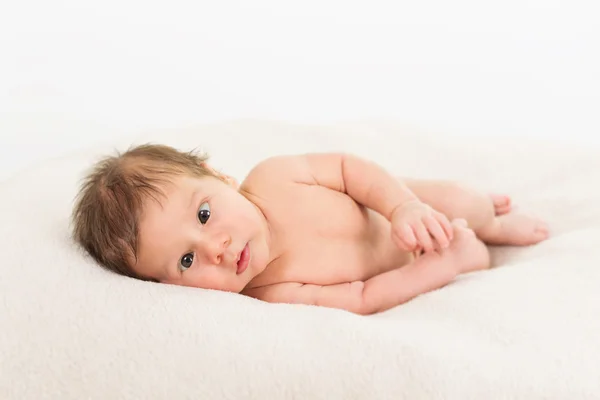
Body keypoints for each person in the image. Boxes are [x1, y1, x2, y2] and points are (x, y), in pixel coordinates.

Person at [72, 144, 549, 315]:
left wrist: (403, 206)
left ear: (219, 177)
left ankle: (493, 221)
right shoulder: (270, 293)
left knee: (463, 202)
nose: (214, 248)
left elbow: (348, 170)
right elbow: (364, 296)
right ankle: (476, 246)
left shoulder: (274, 177)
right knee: (468, 251)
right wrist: (445, 264)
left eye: (203, 215)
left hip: (399, 207)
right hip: (406, 257)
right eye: (185, 260)